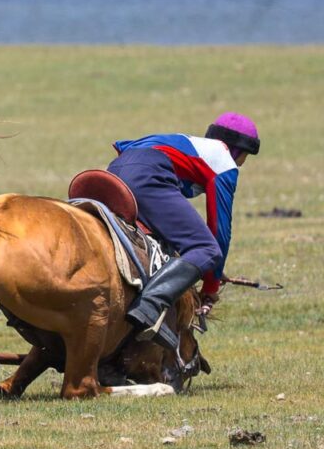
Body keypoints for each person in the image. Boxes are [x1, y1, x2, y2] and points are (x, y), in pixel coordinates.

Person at [107, 112, 260, 350]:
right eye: (245, 156)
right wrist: (210, 286)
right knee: (206, 249)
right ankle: (148, 306)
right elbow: (219, 231)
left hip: (115, 170)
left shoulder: (189, 145)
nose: (242, 163)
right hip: (147, 174)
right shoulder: (225, 163)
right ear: (238, 150)